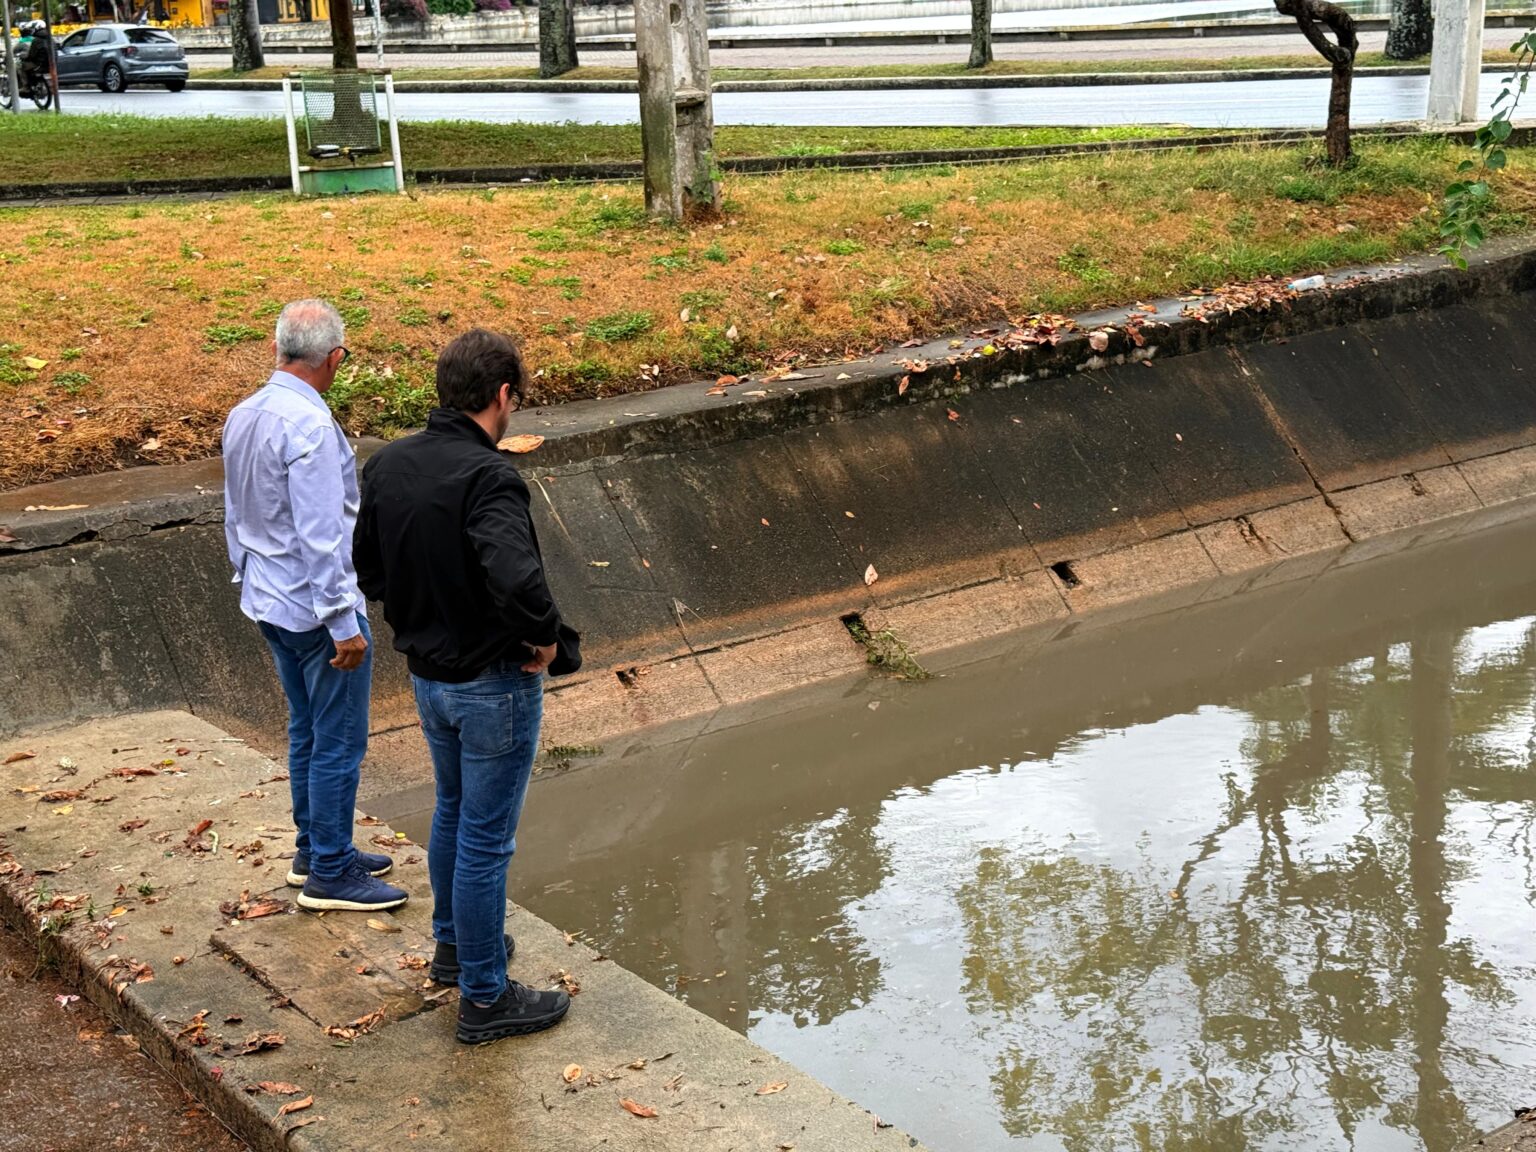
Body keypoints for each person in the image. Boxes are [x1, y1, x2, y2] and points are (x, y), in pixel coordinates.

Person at [354, 328, 576, 1044]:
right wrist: (543, 638)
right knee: (486, 841)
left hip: (428, 679)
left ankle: (456, 950)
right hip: (493, 683)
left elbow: (369, 569)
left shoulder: (388, 464)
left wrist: (423, 615)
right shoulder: (489, 477)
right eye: (518, 400)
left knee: (452, 812)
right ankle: (485, 997)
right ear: (503, 395)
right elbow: (517, 578)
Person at [223, 299, 408, 915]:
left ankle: (316, 847)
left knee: (305, 728)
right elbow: (323, 532)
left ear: (278, 349)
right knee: (337, 740)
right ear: (336, 358)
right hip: (313, 608)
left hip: (266, 599)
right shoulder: (309, 427)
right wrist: (342, 620)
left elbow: (234, 510)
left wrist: (246, 573)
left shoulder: (245, 414)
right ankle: (330, 870)